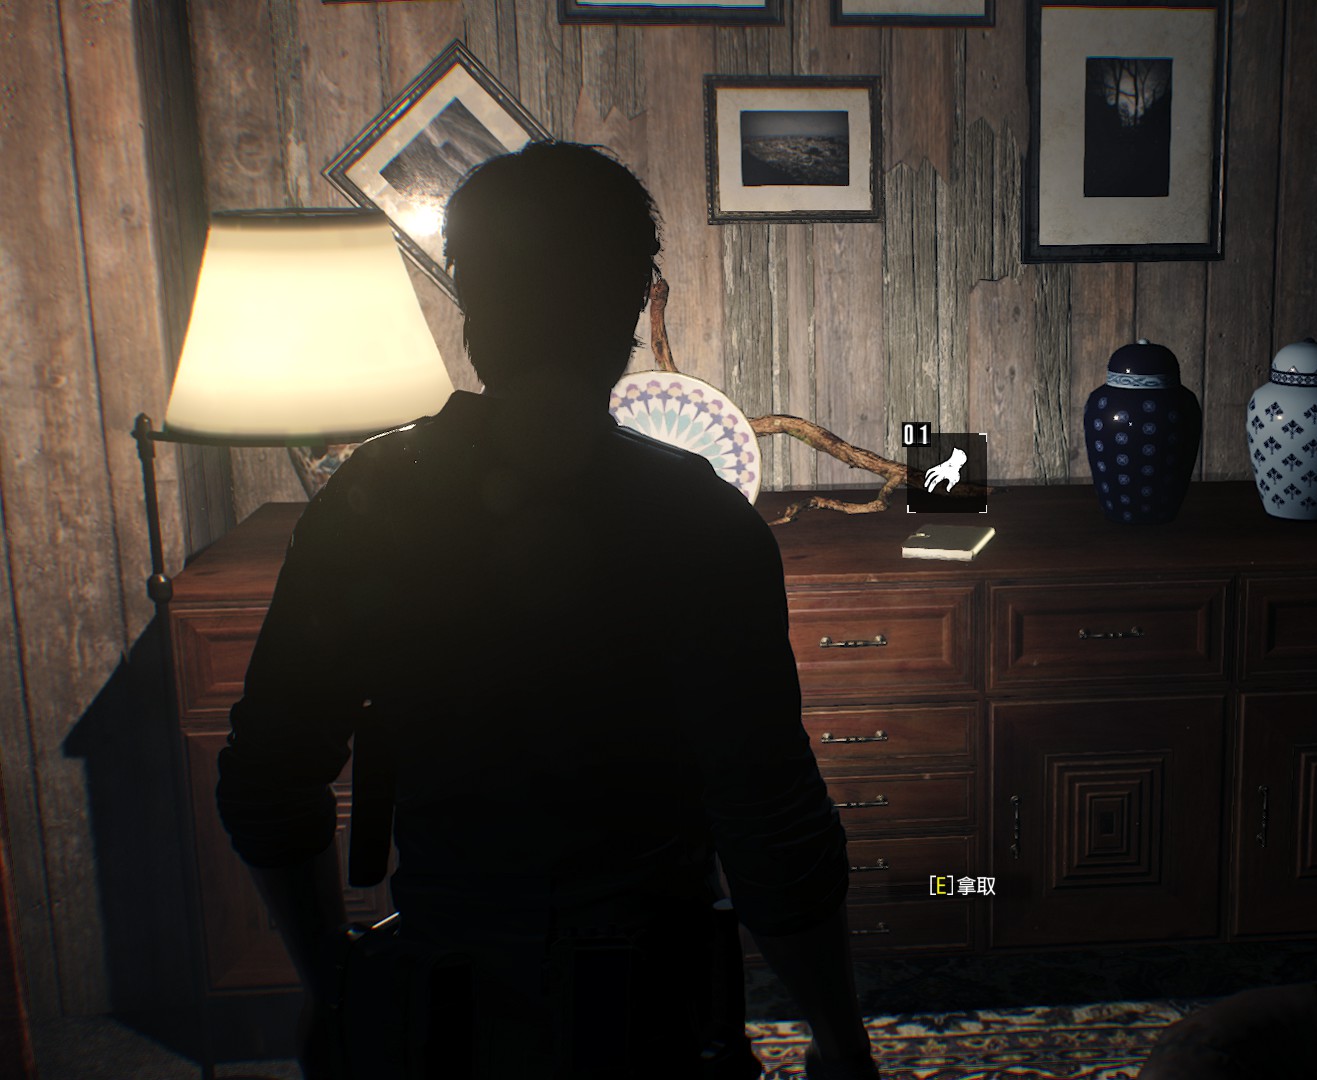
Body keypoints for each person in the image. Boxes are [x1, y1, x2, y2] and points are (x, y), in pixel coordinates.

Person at [214, 140, 880, 1079]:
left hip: (446, 1005)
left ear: (471, 298)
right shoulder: (700, 520)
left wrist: (332, 991)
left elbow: (266, 781)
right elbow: (773, 823)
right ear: (633, 307)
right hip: (654, 1010)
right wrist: (842, 1043)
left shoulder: (369, 499)